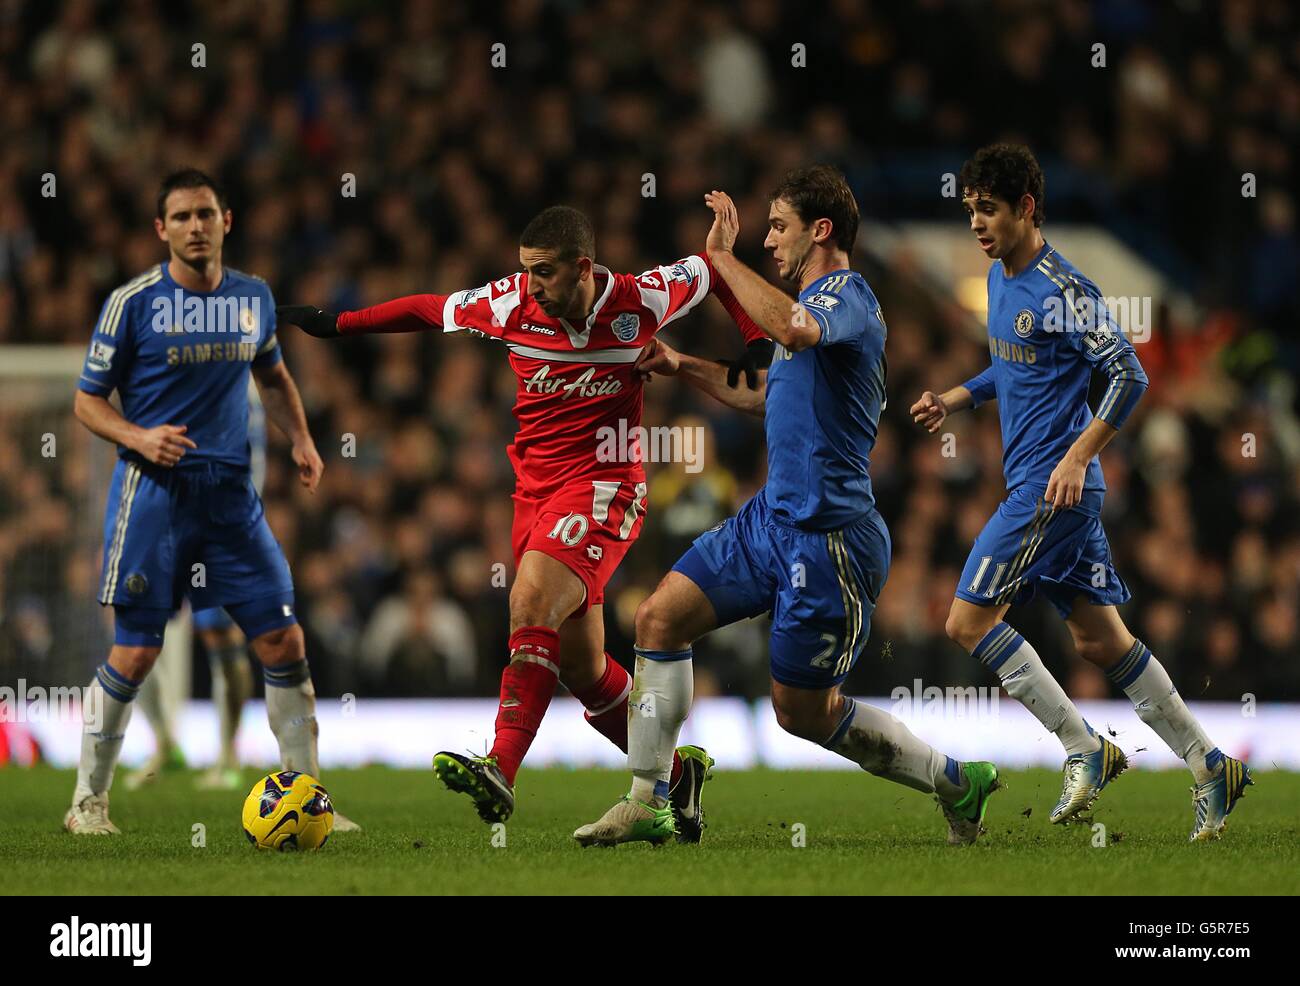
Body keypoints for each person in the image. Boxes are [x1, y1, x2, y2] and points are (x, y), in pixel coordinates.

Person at [278, 205, 768, 837]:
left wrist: (754, 343)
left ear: (583, 268)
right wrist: (336, 325)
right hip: (534, 496)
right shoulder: (510, 304)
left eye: (543, 272)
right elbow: (431, 308)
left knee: (530, 602)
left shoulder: (640, 299)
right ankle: (677, 778)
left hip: (605, 485)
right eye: (526, 271)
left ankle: (500, 769)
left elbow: (716, 270)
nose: (531, 284)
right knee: (583, 670)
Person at [575, 166, 1000, 848]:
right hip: (769, 519)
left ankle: (957, 781)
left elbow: (796, 329)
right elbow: (764, 390)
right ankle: (648, 798)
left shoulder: (849, 299)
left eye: (778, 226)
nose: (769, 240)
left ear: (820, 230)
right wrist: (683, 365)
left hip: (830, 540)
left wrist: (720, 263)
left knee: (801, 714)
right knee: (658, 619)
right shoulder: (805, 312)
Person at [910, 143, 1250, 841]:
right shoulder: (1001, 279)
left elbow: (1130, 375)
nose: (976, 223)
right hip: (1054, 490)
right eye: (970, 208)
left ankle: (1083, 745)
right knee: (1101, 642)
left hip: (1050, 489)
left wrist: (1077, 456)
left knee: (965, 622)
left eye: (989, 209)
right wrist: (955, 397)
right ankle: (1211, 763)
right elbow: (1012, 365)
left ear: (1027, 208)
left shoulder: (1065, 289)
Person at [67, 168, 357, 834]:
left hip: (233, 498)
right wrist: (139, 435)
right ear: (160, 229)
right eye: (181, 217)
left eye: (205, 214)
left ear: (227, 220)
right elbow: (86, 401)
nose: (194, 227)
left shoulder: (254, 297)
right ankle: (88, 802)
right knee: (136, 653)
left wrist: (303, 443)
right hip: (155, 495)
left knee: (284, 638)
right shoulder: (132, 303)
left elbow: (274, 377)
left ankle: (312, 798)